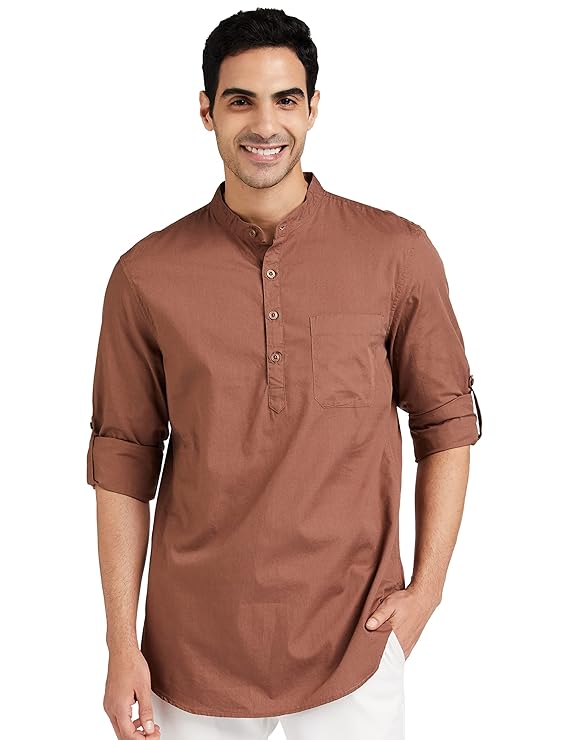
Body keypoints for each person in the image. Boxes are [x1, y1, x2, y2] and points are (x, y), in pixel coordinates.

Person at [86, 8, 482, 739]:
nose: (264, 124)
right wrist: (120, 645)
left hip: (355, 643)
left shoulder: (396, 253)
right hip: (189, 652)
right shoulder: (146, 274)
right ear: (206, 111)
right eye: (240, 100)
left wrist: (427, 591)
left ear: (313, 108)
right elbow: (122, 461)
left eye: (285, 99)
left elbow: (446, 424)